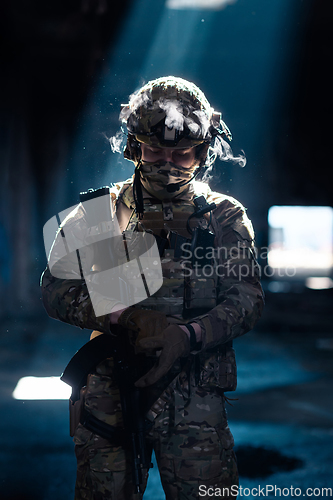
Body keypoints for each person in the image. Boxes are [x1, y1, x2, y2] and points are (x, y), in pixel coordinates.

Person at [41, 76, 264, 500]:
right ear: (132, 147)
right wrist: (122, 316)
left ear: (202, 152)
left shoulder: (223, 217)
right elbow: (55, 288)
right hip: (111, 391)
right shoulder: (99, 212)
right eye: (154, 150)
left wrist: (189, 335)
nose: (167, 163)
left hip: (195, 396)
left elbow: (247, 298)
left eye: (181, 154)